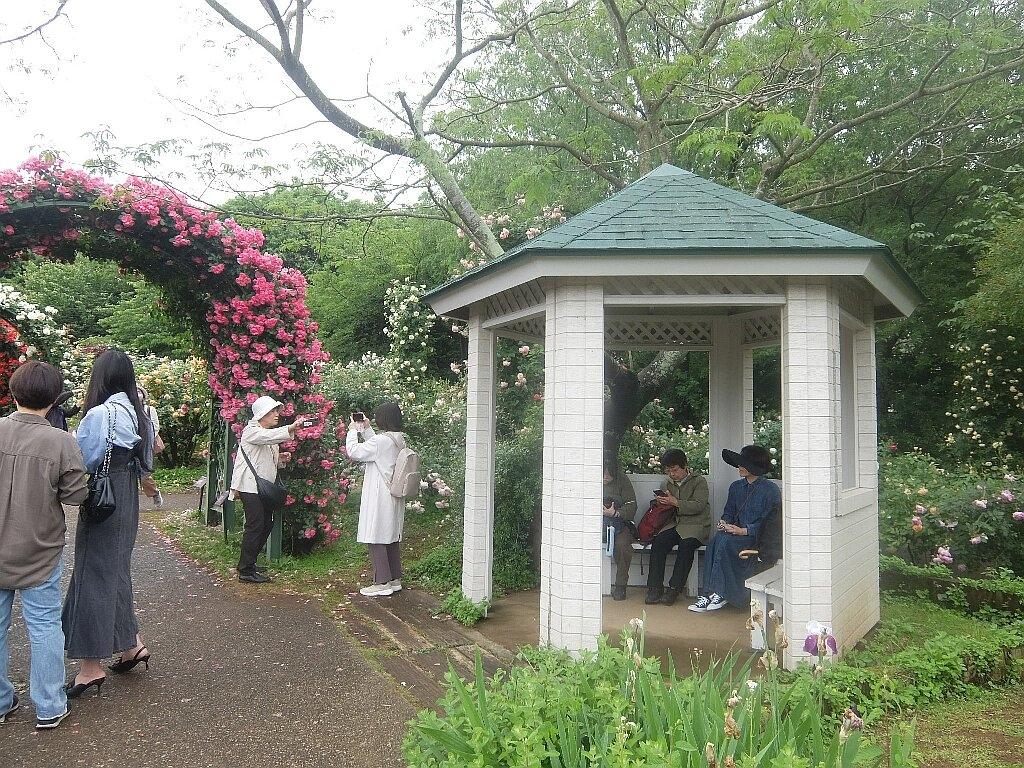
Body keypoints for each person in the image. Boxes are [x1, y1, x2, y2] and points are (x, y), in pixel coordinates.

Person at [0, 362, 88, 730]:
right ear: (54, 399)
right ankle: (50, 706)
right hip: (39, 548)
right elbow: (75, 495)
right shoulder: (60, 441)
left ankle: (1, 701)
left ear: (13, 392)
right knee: (44, 625)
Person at [62, 349, 154, 697]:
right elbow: (147, 460)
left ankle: (90, 667)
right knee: (115, 569)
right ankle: (132, 645)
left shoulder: (101, 414)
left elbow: (84, 459)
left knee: (94, 572)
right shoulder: (138, 412)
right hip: (126, 493)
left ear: (99, 377)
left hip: (104, 496)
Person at [688, 445, 780, 613]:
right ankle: (710, 594)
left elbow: (771, 522)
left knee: (725, 542)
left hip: (757, 538)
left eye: (744, 464)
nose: (739, 466)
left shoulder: (770, 490)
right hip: (734, 534)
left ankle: (718, 592)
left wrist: (744, 531)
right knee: (716, 540)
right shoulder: (736, 487)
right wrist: (725, 523)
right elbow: (729, 512)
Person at [229, 395, 301, 584]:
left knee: (266, 524)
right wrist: (291, 428)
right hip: (249, 486)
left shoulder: (265, 433)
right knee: (255, 525)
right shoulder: (251, 431)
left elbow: (265, 460)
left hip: (260, 487)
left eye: (277, 411)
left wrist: (281, 459)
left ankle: (249, 563)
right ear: (261, 414)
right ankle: (246, 570)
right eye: (272, 411)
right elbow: (267, 438)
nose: (277, 414)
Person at [347, 402, 406, 597]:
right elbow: (377, 447)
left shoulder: (382, 442)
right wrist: (366, 429)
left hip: (379, 494)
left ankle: (381, 582)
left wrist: (352, 431)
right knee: (390, 535)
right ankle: (394, 578)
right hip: (393, 493)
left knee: (376, 534)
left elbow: (354, 452)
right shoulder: (398, 439)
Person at [645, 449, 711, 605]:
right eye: (668, 471)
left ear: (685, 466)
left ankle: (674, 588)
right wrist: (661, 502)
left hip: (696, 525)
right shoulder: (666, 483)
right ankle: (654, 587)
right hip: (675, 524)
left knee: (686, 546)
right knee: (659, 542)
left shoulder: (699, 481)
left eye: (674, 470)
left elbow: (699, 506)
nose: (671, 474)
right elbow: (665, 509)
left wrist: (675, 502)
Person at [602, 463, 637, 601]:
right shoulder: (589, 476)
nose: (605, 476)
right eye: (603, 473)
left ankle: (621, 585)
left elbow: (632, 505)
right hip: (594, 523)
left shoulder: (622, 480)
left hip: (619, 522)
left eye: (609, 473)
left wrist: (616, 513)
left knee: (622, 545)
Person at [137, 386, 163, 509]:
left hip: (145, 445)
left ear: (144, 395)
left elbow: (155, 427)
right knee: (130, 473)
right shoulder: (128, 409)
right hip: (130, 444)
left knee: (144, 473)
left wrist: (148, 440)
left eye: (139, 391)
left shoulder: (149, 409)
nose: (137, 394)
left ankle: (154, 493)